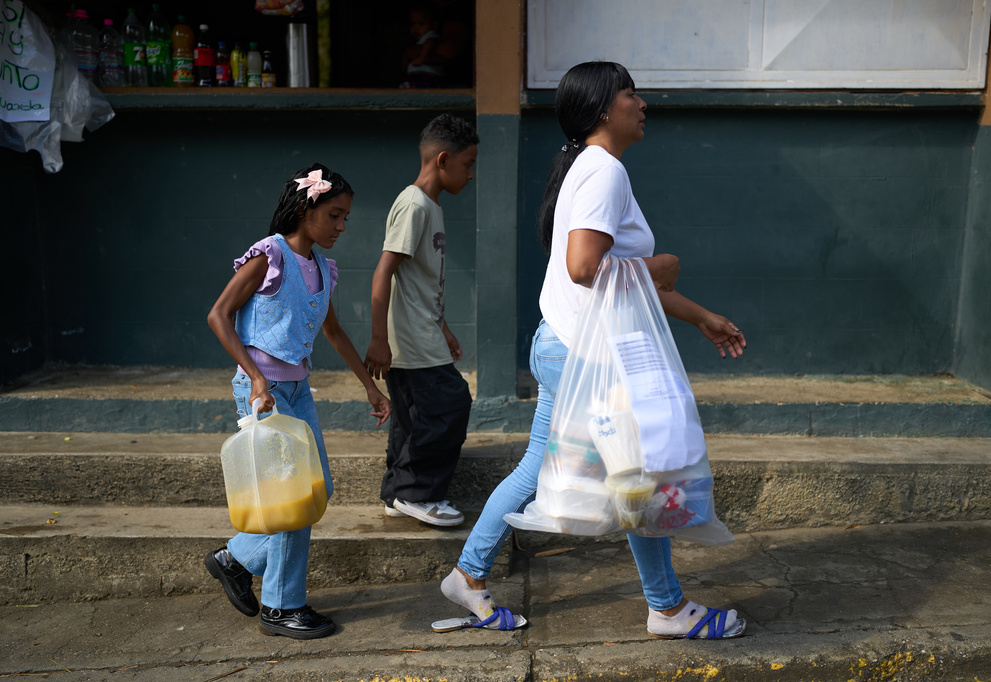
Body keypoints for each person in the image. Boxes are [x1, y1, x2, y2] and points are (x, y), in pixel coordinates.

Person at [437, 61, 749, 639]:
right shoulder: (603, 170)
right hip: (588, 355)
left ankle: (468, 574)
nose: (642, 102)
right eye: (631, 93)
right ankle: (667, 607)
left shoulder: (588, 167)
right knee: (640, 475)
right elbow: (587, 268)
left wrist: (700, 315)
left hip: (563, 345)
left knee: (552, 466)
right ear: (605, 108)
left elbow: (618, 283)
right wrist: (657, 265)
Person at [205, 163, 391, 640]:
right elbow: (219, 316)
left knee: (317, 490)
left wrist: (369, 386)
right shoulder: (268, 256)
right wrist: (255, 379)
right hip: (262, 392)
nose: (342, 227)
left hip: (297, 390)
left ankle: (236, 558)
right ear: (307, 209)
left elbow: (331, 331)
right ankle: (281, 607)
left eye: (345, 217)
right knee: (290, 501)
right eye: (334, 215)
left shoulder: (323, 269)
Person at [364, 113, 478, 527]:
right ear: (443, 160)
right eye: (468, 165)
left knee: (414, 416)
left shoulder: (430, 206)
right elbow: (383, 271)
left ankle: (399, 491)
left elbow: (421, 279)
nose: (471, 174)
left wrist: (444, 328)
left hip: (424, 332)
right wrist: (379, 339)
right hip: (410, 339)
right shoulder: (413, 205)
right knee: (450, 404)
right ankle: (419, 494)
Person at [400, 5, 442, 88]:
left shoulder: (430, 35)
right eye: (412, 24)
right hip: (413, 76)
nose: (416, 28)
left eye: (421, 24)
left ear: (433, 25)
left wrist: (421, 58)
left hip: (426, 76)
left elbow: (430, 42)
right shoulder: (419, 41)